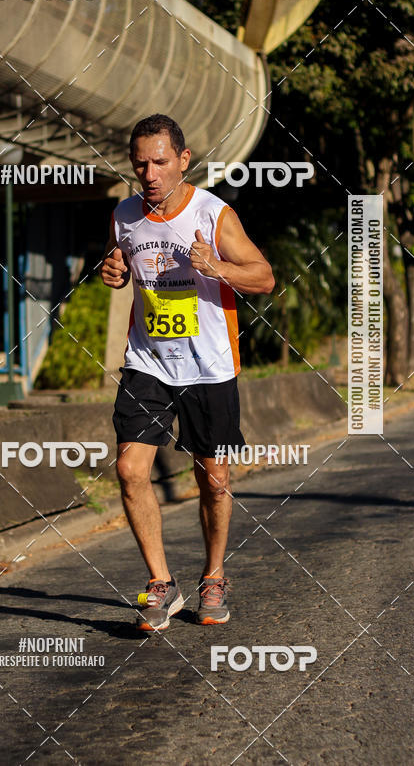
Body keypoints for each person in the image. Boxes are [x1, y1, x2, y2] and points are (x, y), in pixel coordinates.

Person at [100, 114, 274, 631]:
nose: (149, 174)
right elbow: (120, 264)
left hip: (208, 366)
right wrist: (113, 271)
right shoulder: (124, 215)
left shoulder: (213, 214)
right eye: (140, 165)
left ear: (183, 160)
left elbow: (264, 277)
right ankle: (161, 583)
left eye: (159, 162)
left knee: (214, 481)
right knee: (130, 470)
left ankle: (213, 576)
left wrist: (217, 267)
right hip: (148, 361)